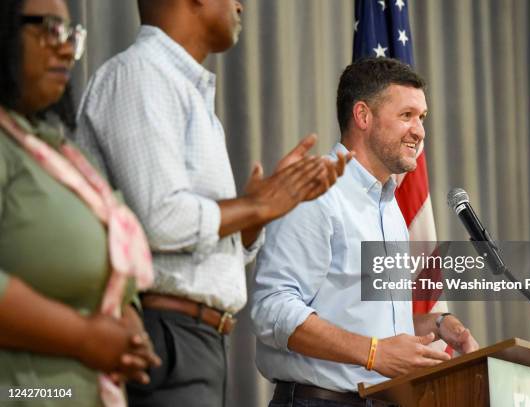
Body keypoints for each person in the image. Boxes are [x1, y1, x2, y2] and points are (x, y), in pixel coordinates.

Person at [74, 1, 350, 406]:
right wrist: (256, 207)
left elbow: (198, 248)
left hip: (200, 340)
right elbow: (162, 221)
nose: (240, 6)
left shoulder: (187, 92)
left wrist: (261, 212)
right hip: (161, 333)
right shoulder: (140, 75)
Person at [250, 57, 480, 407]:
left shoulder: (389, 207)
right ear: (363, 116)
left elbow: (355, 317)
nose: (419, 131)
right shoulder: (317, 189)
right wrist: (373, 353)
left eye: (422, 118)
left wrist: (433, 324)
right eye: (407, 116)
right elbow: (271, 309)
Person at [0, 0, 160, 406]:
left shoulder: (63, 155)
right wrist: (85, 337)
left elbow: (118, 267)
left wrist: (128, 326)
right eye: (51, 29)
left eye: (73, 34)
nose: (68, 48)